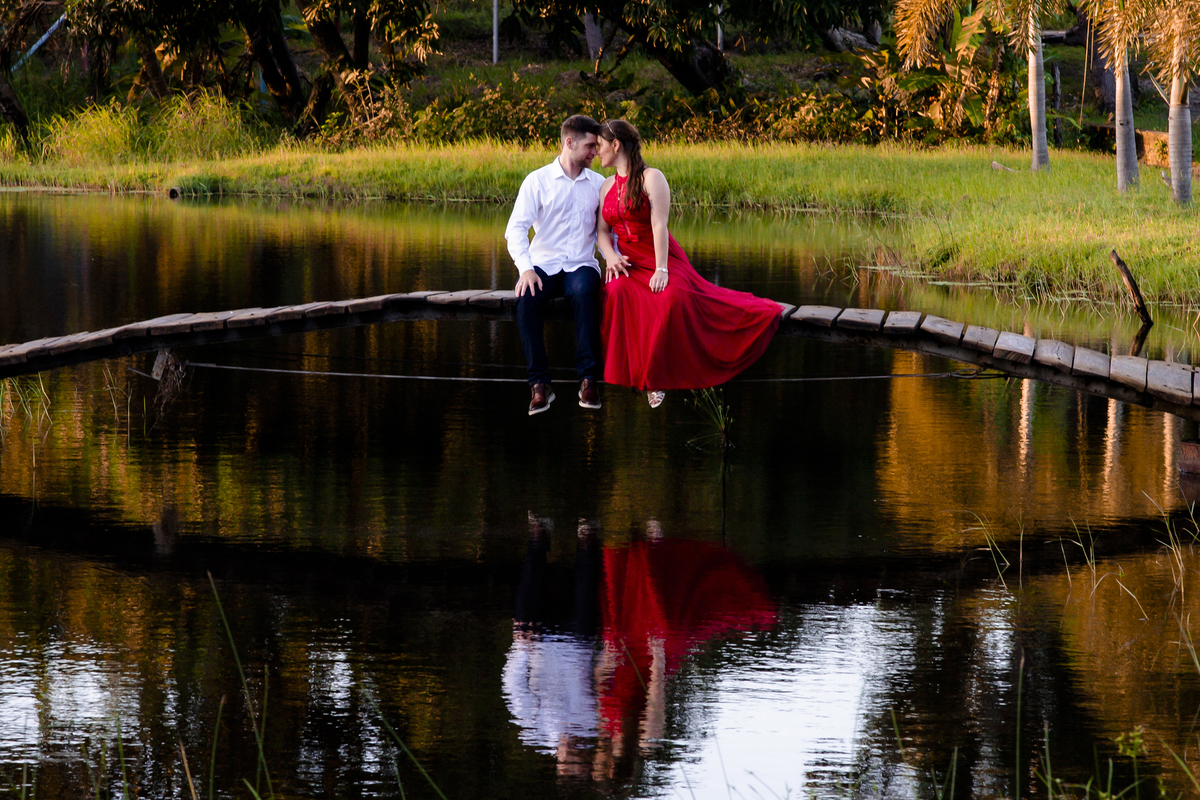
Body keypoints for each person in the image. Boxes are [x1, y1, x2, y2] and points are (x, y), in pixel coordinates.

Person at [595, 120, 782, 408]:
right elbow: (602, 232)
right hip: (626, 262)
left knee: (673, 298)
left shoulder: (651, 178)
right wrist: (610, 256)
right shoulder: (606, 185)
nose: (597, 151)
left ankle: (656, 377)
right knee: (617, 293)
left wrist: (661, 269)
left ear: (616, 144)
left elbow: (659, 226)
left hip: (659, 257)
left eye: (600, 145)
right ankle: (632, 373)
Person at [506, 115, 606, 416]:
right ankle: (539, 386)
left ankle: (589, 381)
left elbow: (607, 233)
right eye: (590, 146)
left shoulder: (599, 185)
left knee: (587, 292)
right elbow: (516, 230)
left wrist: (613, 258)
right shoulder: (537, 181)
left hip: (581, 264)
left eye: (597, 146)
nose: (595, 153)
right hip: (542, 264)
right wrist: (525, 268)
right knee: (526, 298)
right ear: (569, 142)